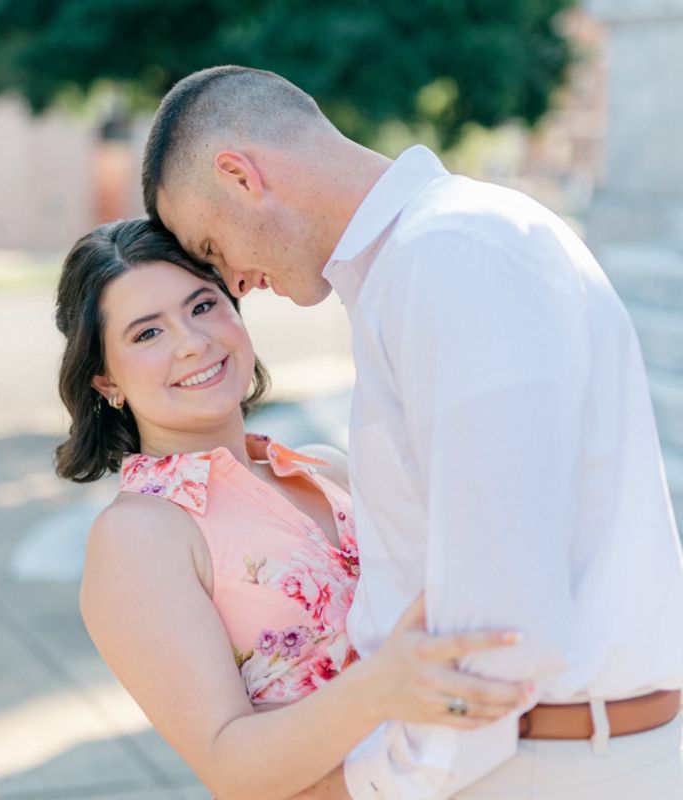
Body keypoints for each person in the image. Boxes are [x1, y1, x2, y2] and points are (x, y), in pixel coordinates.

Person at [141, 66, 683, 798]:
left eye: (212, 248)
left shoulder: (450, 254)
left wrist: (363, 785)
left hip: (536, 765)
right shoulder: (430, 256)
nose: (233, 282)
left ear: (240, 175)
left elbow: (498, 631)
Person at [53, 218, 528, 800]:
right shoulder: (139, 535)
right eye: (147, 333)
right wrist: (381, 687)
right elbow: (231, 768)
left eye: (202, 306)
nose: (192, 342)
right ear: (107, 382)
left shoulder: (326, 469)